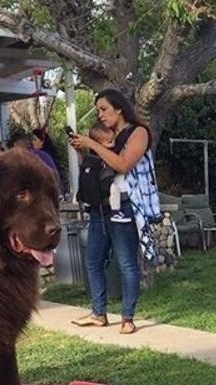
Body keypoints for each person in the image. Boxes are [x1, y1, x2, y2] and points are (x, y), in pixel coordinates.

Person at [69, 89, 158, 335]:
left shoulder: (138, 133)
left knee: (126, 263)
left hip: (124, 208)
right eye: (98, 110)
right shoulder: (106, 136)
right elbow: (96, 168)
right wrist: (82, 150)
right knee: (93, 261)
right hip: (99, 208)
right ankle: (98, 313)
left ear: (119, 108)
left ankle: (127, 317)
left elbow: (123, 164)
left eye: (104, 109)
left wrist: (93, 144)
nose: (100, 114)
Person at [76, 123, 129, 222]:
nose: (113, 144)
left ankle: (112, 210)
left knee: (113, 190)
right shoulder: (100, 155)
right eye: (109, 142)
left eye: (113, 140)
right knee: (114, 189)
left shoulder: (94, 156)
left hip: (101, 182)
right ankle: (116, 211)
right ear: (97, 143)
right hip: (102, 181)